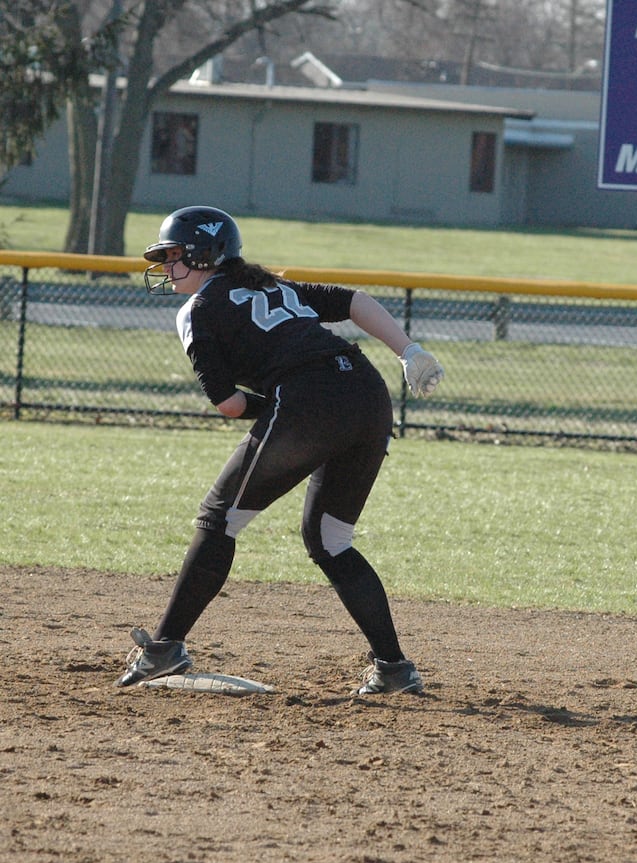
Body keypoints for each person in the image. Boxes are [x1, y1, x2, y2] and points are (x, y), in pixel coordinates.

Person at [116, 205, 444, 696]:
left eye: (174, 256)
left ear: (206, 256)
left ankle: (164, 648)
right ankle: (394, 668)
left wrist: (283, 409)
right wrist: (409, 351)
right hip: (369, 396)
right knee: (330, 539)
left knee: (217, 519)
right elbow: (354, 300)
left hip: (308, 401)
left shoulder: (197, 311)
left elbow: (228, 403)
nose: (165, 267)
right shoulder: (275, 285)